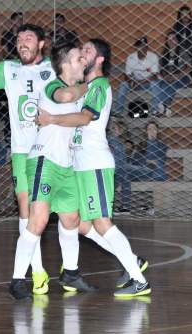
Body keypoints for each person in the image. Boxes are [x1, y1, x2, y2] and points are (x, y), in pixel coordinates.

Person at [36, 39, 151, 297]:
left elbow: (85, 119)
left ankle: (139, 279)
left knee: (101, 223)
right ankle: (132, 259)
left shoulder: (99, 85)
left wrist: (52, 119)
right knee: (81, 225)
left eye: (87, 50)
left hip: (94, 164)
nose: (82, 53)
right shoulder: (81, 86)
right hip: (80, 165)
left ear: (99, 59)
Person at [0, 24, 56, 296]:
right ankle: (37, 272)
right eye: (19, 39)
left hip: (52, 150)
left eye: (28, 38)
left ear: (41, 43)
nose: (22, 43)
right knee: (25, 209)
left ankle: (73, 268)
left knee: (67, 217)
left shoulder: (55, 68)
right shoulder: (8, 68)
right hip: (21, 151)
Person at [10, 42, 95, 300]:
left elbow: (82, 117)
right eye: (79, 58)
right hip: (43, 162)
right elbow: (66, 97)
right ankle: (16, 280)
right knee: (38, 220)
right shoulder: (52, 86)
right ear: (65, 64)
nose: (83, 62)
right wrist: (88, 86)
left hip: (66, 165)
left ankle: (70, 273)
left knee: (70, 220)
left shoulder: (74, 89)